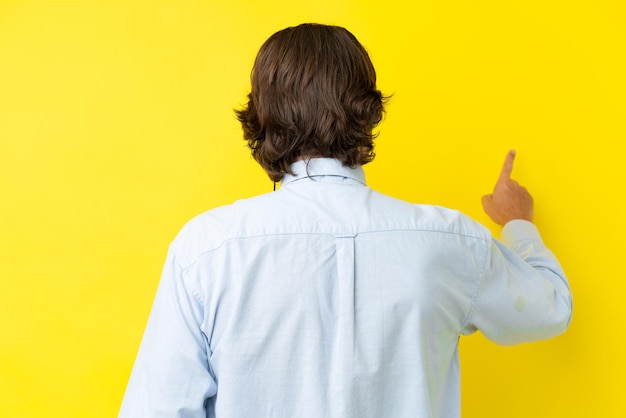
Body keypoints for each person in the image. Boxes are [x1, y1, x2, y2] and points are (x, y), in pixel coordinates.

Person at [119, 23, 572, 418]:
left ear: (261, 118)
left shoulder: (205, 249)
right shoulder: (448, 241)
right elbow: (551, 309)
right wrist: (518, 225)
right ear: (368, 110)